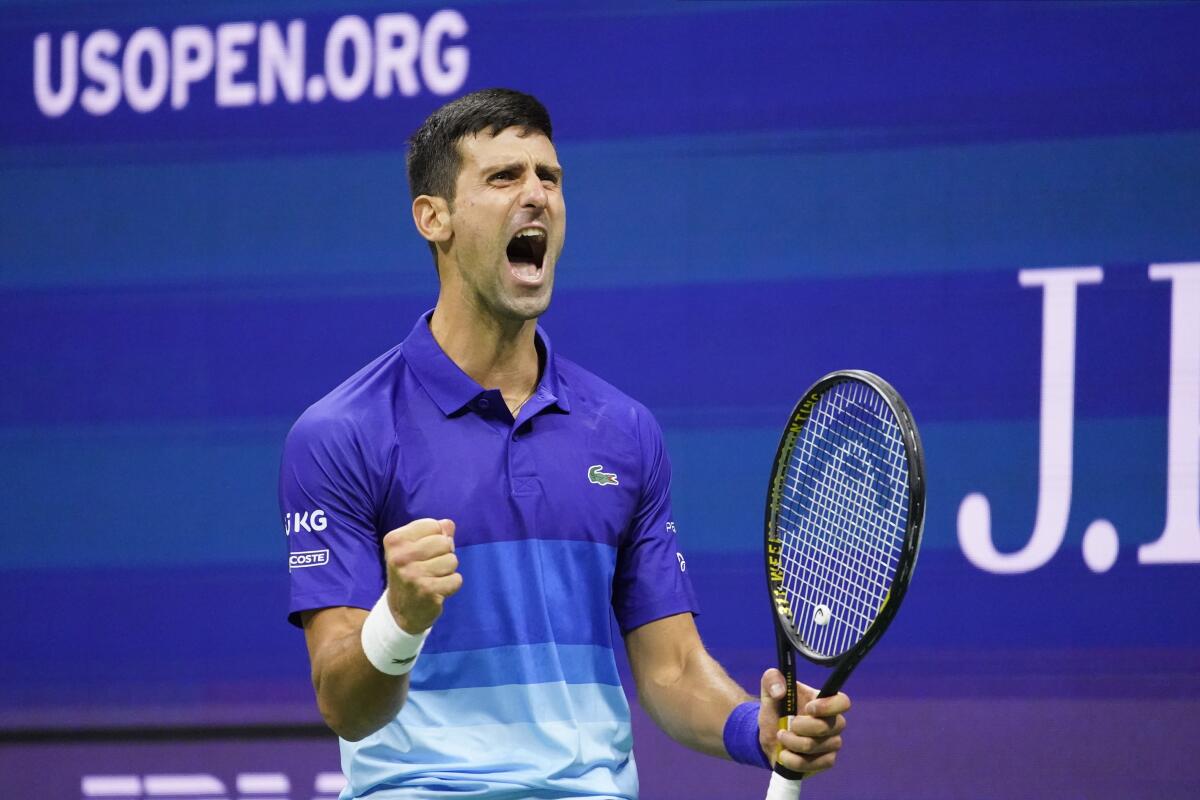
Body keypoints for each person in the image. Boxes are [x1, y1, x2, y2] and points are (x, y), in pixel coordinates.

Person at [279, 88, 850, 799]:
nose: (538, 196)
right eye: (503, 177)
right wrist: (398, 620)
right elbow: (344, 705)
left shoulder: (623, 430)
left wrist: (753, 729)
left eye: (549, 177)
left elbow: (670, 668)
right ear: (435, 218)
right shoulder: (341, 434)